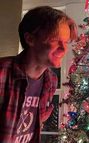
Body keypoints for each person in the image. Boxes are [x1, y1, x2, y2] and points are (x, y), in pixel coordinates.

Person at [0, 6, 77, 142]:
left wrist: (39, 119)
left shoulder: (51, 80)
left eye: (65, 42)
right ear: (30, 39)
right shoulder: (2, 72)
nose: (63, 48)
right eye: (54, 40)